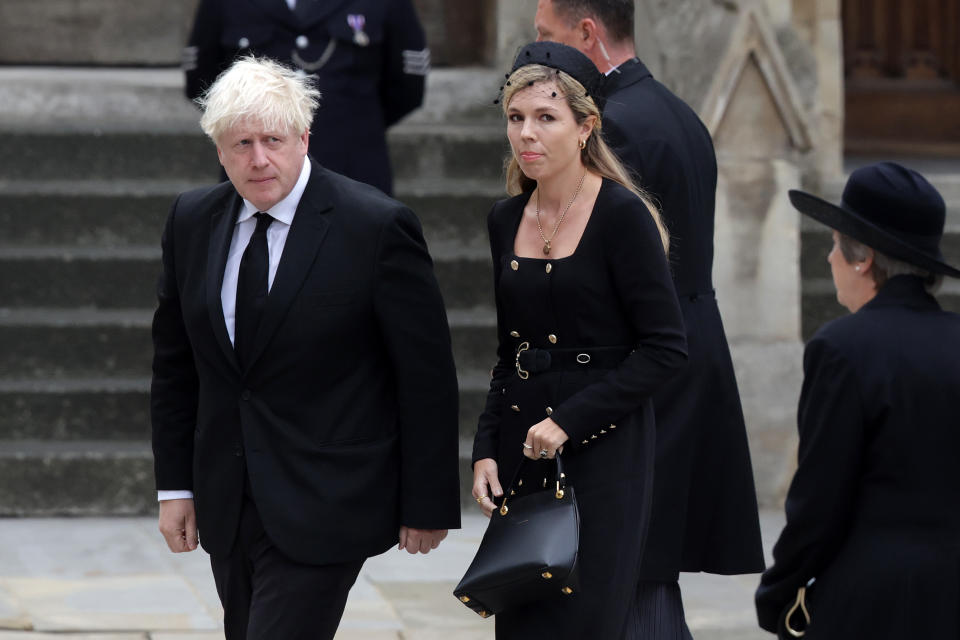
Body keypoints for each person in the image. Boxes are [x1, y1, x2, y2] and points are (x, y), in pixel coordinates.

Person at [150, 56, 460, 640]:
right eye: (241, 143)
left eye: (273, 140)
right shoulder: (192, 220)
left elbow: (426, 376)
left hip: (329, 497)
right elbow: (175, 367)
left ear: (304, 139)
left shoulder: (374, 225)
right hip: (229, 495)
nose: (258, 159)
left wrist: (427, 502)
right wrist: (176, 487)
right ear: (219, 149)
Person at [533, 1, 765, 633]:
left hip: (641, 370)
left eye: (547, 39)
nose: (537, 61)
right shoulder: (675, 111)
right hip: (681, 351)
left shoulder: (614, 128)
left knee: (626, 580)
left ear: (587, 34)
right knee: (644, 573)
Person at [471, 41, 688, 639]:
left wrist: (570, 420)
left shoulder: (622, 216)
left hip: (606, 451)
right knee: (522, 622)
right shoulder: (504, 219)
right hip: (525, 446)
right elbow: (507, 353)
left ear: (586, 126)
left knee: (588, 623)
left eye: (546, 118)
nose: (526, 135)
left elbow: (666, 348)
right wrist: (487, 446)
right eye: (516, 119)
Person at [755, 162, 960, 638]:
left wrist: (779, 593)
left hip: (873, 602)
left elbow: (819, 499)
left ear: (863, 257)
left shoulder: (842, 349)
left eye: (833, 244)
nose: (829, 259)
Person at [182, 0, 430, 195]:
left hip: (353, 169)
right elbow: (203, 83)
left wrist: (356, 127)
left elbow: (406, 85)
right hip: (258, 182)